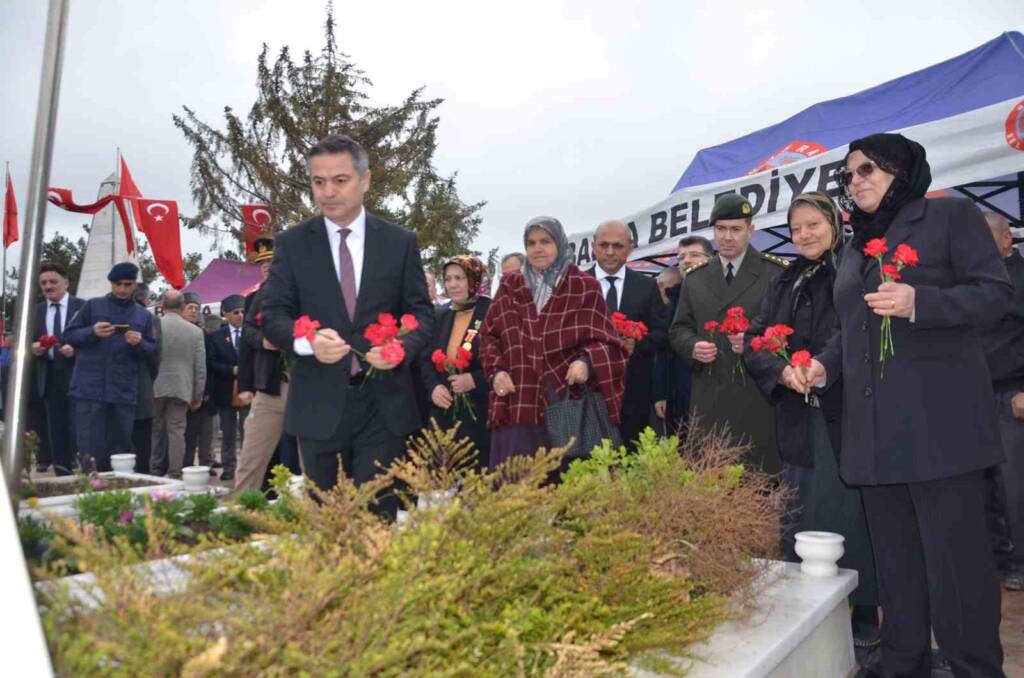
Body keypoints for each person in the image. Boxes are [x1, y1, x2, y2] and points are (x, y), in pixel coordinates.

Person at [793, 133, 1011, 677]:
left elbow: (996, 295)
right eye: (849, 174)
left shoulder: (951, 218)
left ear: (902, 168)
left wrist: (923, 303)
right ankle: (903, 664)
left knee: (957, 574)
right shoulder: (857, 244)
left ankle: (975, 669)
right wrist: (826, 366)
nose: (857, 179)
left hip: (941, 433)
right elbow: (851, 326)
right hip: (873, 437)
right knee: (897, 571)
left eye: (869, 168)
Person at [261, 134, 434, 518]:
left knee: (377, 522)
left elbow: (422, 315)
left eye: (340, 180)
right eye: (318, 182)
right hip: (319, 408)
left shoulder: (399, 242)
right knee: (330, 525)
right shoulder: (292, 244)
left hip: (385, 408)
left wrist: (400, 349)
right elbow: (272, 315)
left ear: (365, 180)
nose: (328, 192)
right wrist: (307, 343)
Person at [743, 191, 879, 646]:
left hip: (846, 413)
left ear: (835, 223)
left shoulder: (853, 269)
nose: (803, 235)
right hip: (797, 416)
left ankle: (862, 612)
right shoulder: (786, 281)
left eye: (813, 225)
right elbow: (756, 339)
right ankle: (806, 611)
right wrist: (780, 370)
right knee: (802, 511)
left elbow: (854, 331)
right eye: (796, 227)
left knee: (851, 513)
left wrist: (822, 366)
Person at [479, 216, 628, 470]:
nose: (538, 249)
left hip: (564, 402)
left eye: (545, 241)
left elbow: (609, 343)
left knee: (565, 489)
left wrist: (586, 362)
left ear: (559, 243)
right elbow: (488, 337)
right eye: (531, 242)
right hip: (518, 399)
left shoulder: (584, 286)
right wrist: (496, 371)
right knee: (517, 490)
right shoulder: (510, 285)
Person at [668, 196, 788, 473]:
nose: (727, 237)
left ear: (751, 230)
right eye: (721, 229)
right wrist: (693, 346)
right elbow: (678, 329)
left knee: (759, 483)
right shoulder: (696, 278)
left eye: (735, 229)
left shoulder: (774, 273)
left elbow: (787, 329)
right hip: (710, 395)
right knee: (713, 484)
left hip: (757, 396)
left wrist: (754, 342)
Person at [63, 262, 157, 472]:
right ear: (111, 283)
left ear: (134, 285)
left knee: (121, 449)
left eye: (128, 284)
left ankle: (119, 494)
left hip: (123, 393)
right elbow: (69, 335)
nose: (122, 289)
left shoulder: (143, 316)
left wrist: (139, 343)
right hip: (90, 391)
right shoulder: (92, 306)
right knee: (89, 448)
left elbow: (152, 349)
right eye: (118, 284)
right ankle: (89, 490)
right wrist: (92, 332)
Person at [589, 219, 668, 445]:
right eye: (604, 245)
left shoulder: (646, 286)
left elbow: (663, 334)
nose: (610, 252)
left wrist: (638, 343)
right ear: (593, 246)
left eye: (618, 246)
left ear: (630, 248)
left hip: (634, 398)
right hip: (588, 397)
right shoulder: (577, 284)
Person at [981, 211, 1024, 592]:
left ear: (1007, 240)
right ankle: (994, 555)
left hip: (1012, 393)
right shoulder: (975, 281)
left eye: (985, 237)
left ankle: (1021, 561)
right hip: (973, 395)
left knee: (1014, 484)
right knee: (982, 483)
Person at [233, 238, 292, 493]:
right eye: (263, 264)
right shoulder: (258, 296)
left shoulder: (306, 290)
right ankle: (241, 513)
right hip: (270, 383)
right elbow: (247, 337)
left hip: (306, 384)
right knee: (251, 457)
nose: (267, 267)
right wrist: (263, 340)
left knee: (310, 460)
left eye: (272, 261)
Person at [423, 256, 492, 468]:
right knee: (437, 482)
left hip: (479, 412)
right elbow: (424, 359)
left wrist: (475, 379)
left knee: (475, 485)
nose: (452, 284)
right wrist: (433, 387)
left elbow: (506, 360)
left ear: (474, 280)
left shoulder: (492, 311)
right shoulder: (439, 314)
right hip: (442, 410)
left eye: (459, 278)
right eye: (448, 278)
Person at [655, 235, 713, 434]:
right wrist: (661, 393)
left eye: (694, 255)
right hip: (679, 390)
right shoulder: (673, 299)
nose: (686, 260)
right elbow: (664, 348)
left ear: (711, 259)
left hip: (716, 388)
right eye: (681, 257)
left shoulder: (726, 292)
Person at [30, 262, 84, 475]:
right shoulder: (36, 311)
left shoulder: (82, 307)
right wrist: (32, 347)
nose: (48, 286)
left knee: (80, 427)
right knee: (56, 428)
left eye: (53, 281)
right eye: (43, 283)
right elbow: (24, 341)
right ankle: (63, 473)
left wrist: (77, 350)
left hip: (78, 375)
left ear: (66, 283)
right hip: (49, 375)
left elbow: (95, 341)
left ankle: (87, 470)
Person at [150, 290, 206, 479]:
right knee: (177, 431)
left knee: (156, 429)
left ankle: (156, 467)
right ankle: (175, 472)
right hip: (182, 387)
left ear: (162, 306)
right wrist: (197, 396)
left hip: (155, 386)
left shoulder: (152, 326)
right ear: (182, 306)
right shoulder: (195, 331)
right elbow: (200, 368)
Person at [207, 294, 247, 482]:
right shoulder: (216, 337)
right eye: (235, 312)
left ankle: (248, 467)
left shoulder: (252, 334)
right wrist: (231, 369)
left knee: (249, 430)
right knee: (229, 434)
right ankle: (229, 467)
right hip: (225, 391)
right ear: (226, 314)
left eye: (242, 312)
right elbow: (211, 363)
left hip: (248, 390)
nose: (240, 315)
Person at [182, 292, 215, 471]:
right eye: (190, 308)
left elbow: (208, 364)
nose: (194, 311)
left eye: (196, 308)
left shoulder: (204, 334)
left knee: (204, 432)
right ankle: (185, 465)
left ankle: (205, 465)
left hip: (203, 390)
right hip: (181, 389)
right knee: (186, 433)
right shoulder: (177, 331)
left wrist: (205, 391)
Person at [131, 283, 160, 474]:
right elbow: (155, 355)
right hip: (142, 388)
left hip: (122, 390)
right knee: (142, 440)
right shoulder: (150, 319)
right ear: (145, 300)